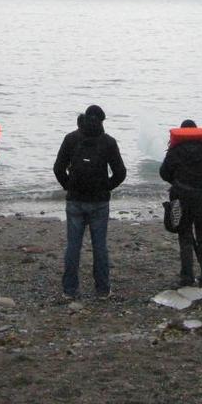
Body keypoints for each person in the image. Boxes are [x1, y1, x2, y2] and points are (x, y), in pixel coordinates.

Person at [53, 105, 127, 299]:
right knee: (100, 246)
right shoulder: (108, 141)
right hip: (99, 201)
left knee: (73, 246)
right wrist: (106, 187)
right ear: (102, 120)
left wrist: (68, 186)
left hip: (75, 199)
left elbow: (58, 168)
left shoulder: (71, 138)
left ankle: (70, 290)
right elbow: (121, 173)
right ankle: (102, 290)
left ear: (85, 119)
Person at [159, 119, 202, 287]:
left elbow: (163, 173)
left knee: (184, 238)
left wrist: (176, 180)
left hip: (180, 198)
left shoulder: (175, 150)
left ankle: (187, 278)